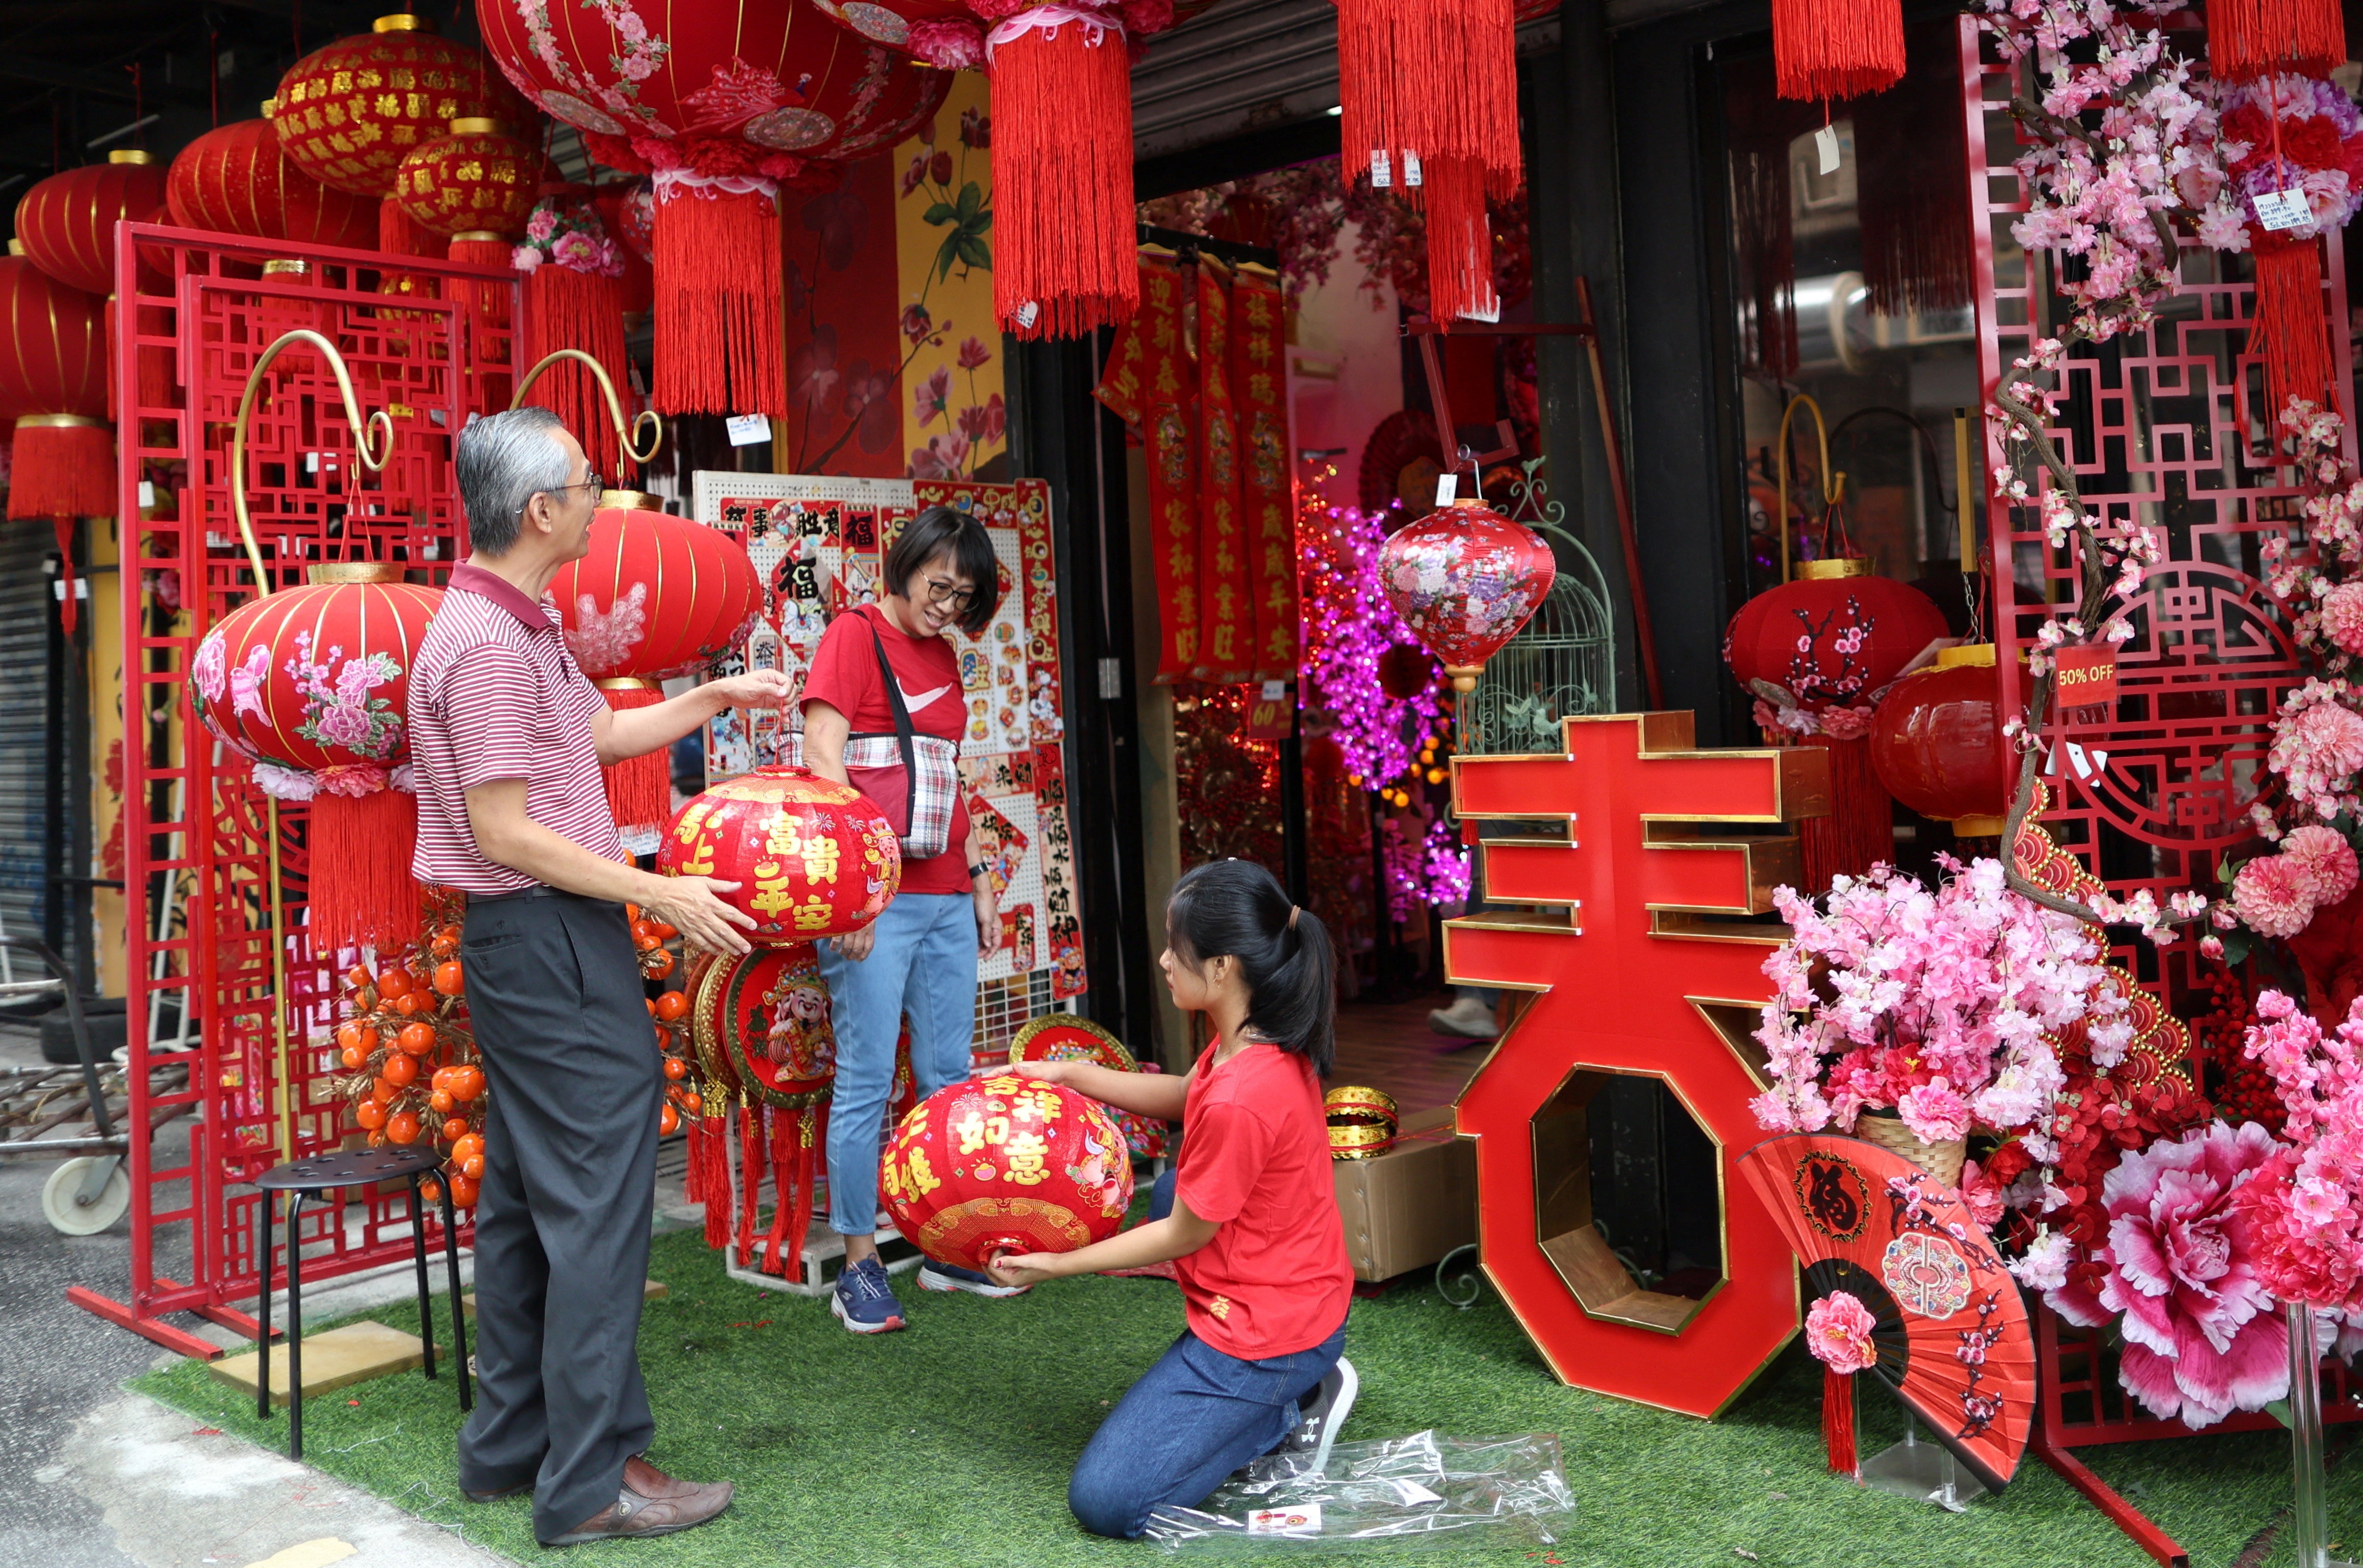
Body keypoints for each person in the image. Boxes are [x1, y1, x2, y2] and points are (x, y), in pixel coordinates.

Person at [409, 406, 794, 1547]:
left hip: (536, 939)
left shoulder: (508, 624)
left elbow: (597, 740)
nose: (596, 495)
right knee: (598, 1206)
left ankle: (510, 1447)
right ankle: (588, 1480)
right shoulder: (484, 644)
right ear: (540, 510)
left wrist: (714, 699)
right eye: (585, 483)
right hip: (544, 930)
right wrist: (659, 891)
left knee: (533, 1196)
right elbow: (505, 830)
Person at [987, 859, 1359, 1539]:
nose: (1162, 960)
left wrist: (1054, 1264)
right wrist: (1072, 1073)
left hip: (1267, 1335)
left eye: (1174, 947)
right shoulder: (1252, 1038)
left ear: (1220, 968)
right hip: (1287, 1296)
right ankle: (1275, 1387)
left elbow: (1184, 1235)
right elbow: (1190, 1097)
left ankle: (1285, 1402)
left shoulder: (1249, 1091)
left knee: (1107, 1502)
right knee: (1168, 1192)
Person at [800, 505, 1008, 1331]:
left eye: (964, 595)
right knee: (863, 1082)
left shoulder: (945, 656)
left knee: (948, 1078)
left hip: (949, 896)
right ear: (908, 562)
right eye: (939, 584)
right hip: (876, 905)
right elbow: (823, 765)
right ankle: (859, 1265)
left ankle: (949, 1250)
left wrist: (985, 875)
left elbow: (949, 775)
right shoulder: (852, 637)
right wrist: (854, 891)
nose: (947, 604)